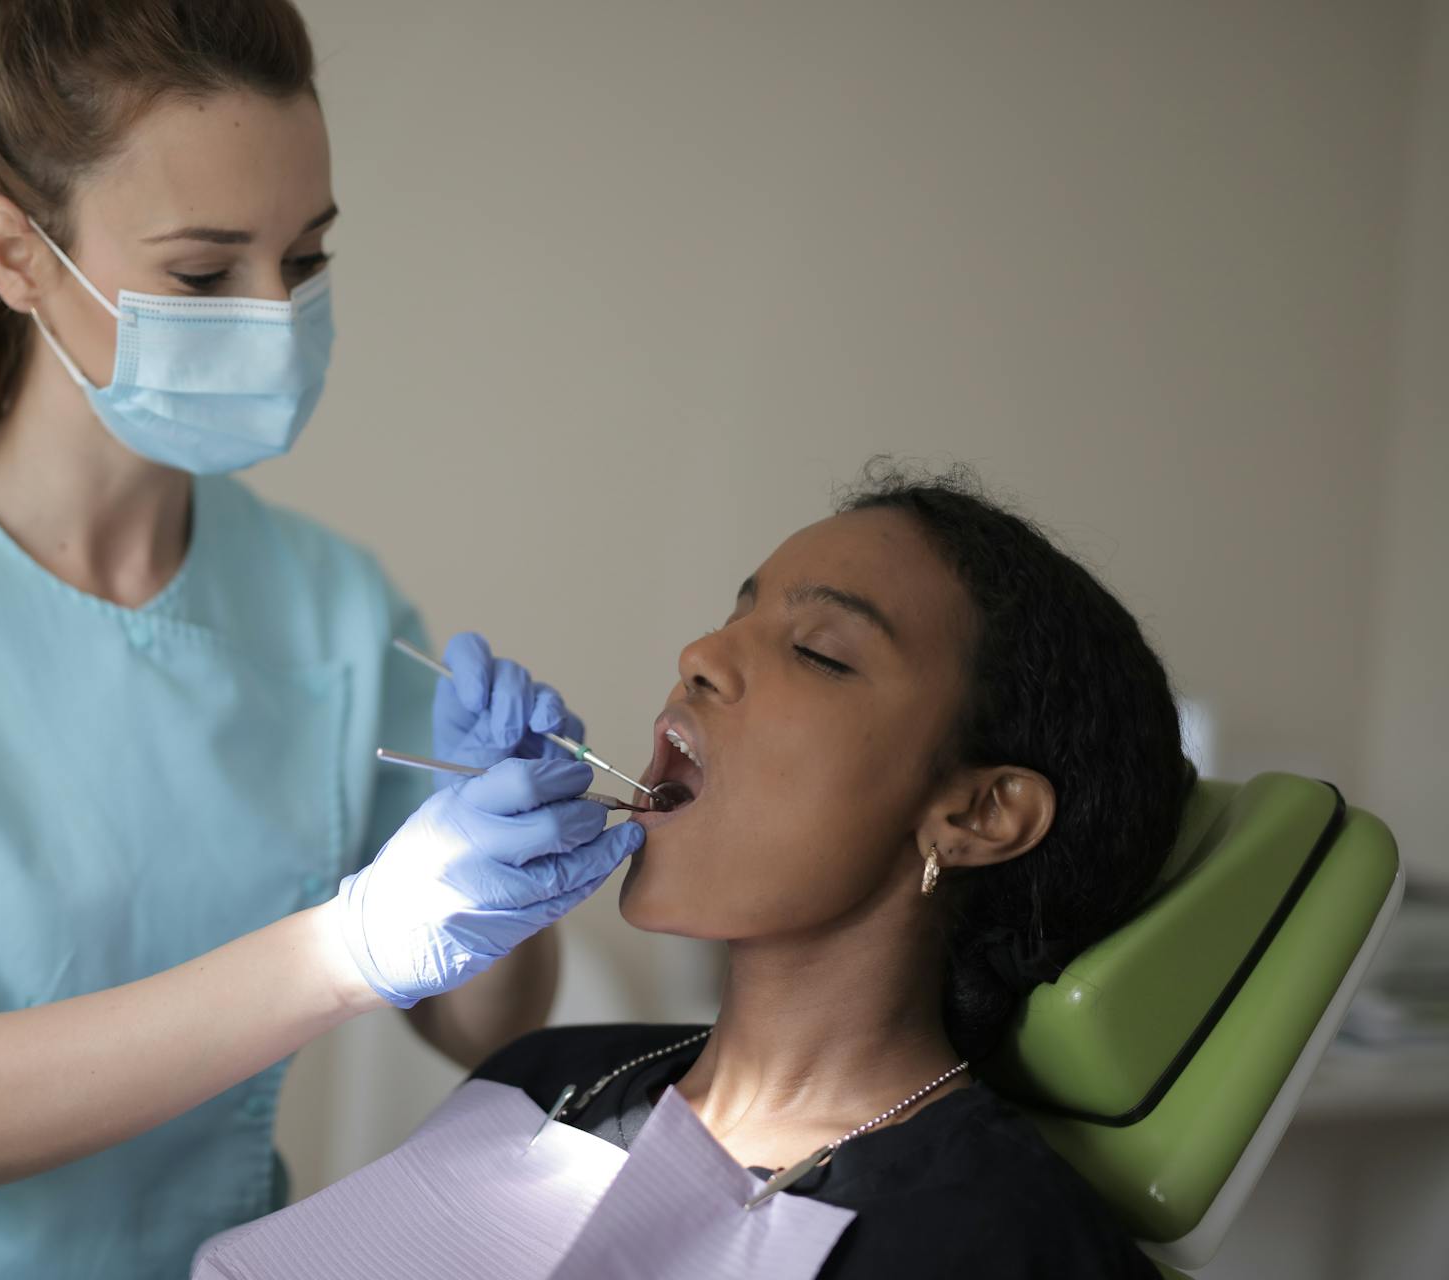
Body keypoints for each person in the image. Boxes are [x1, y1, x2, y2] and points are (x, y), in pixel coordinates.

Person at [0, 2, 640, 1275]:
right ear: (20, 256)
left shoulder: (331, 605)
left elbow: (482, 1030)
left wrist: (507, 861)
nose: (273, 315)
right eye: (203, 273)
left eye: (302, 262)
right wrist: (349, 945)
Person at [227, 462, 1187, 1277]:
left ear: (979, 811)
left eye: (817, 652)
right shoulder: (543, 1077)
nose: (701, 656)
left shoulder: (996, 1241)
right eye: (735, 616)